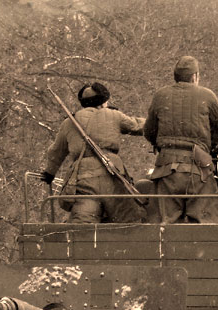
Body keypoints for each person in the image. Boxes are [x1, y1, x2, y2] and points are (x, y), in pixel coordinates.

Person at [143, 55, 218, 223]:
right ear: (195, 77)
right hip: (198, 168)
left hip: (166, 168)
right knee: (203, 224)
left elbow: (149, 131)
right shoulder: (207, 95)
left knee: (164, 225)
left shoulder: (160, 95)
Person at [42, 82, 146, 223]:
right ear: (102, 102)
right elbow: (138, 126)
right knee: (128, 222)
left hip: (83, 178)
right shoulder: (114, 115)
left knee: (83, 226)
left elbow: (56, 151)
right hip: (112, 176)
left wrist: (49, 173)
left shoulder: (69, 122)